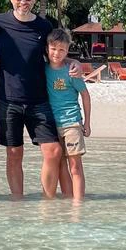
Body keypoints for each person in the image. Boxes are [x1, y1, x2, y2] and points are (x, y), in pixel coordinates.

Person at [0, 0, 81, 199]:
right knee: (14, 152)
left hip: (39, 100)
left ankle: (48, 202)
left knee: (54, 151)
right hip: (7, 100)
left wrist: (72, 62)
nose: (23, 1)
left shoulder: (44, 26)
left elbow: (55, 54)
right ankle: (18, 203)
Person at [45, 28, 92, 201]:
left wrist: (86, 123)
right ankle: (67, 198)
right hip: (51, 124)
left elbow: (85, 95)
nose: (57, 53)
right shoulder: (43, 69)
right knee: (60, 164)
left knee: (75, 166)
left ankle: (79, 204)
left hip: (72, 122)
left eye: (62, 50)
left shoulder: (72, 71)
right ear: (47, 48)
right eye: (53, 48)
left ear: (67, 51)